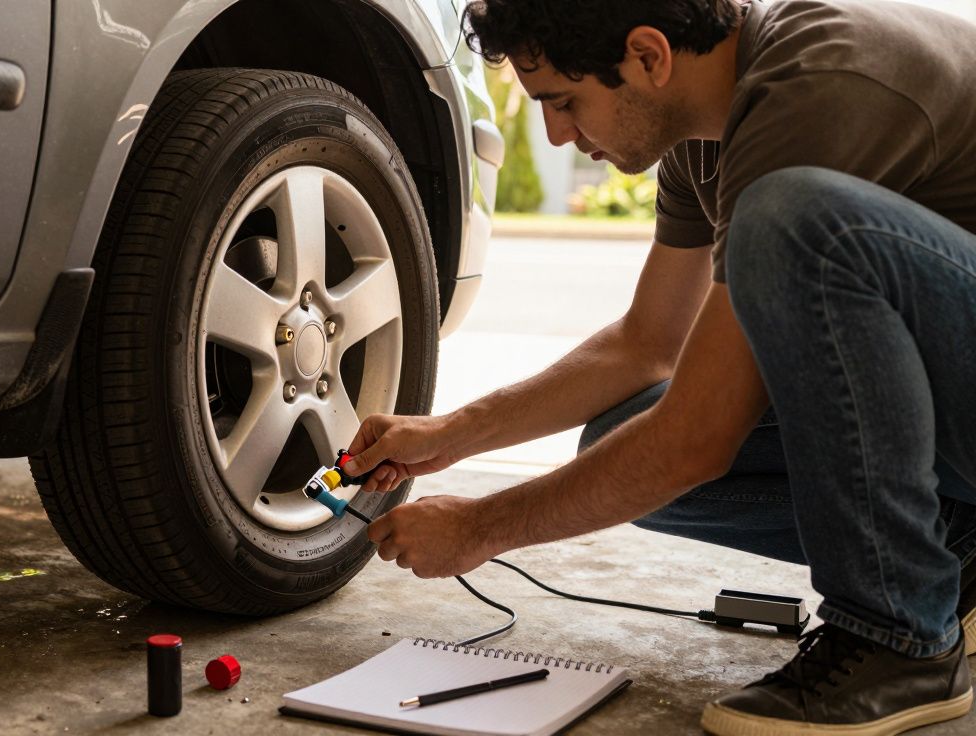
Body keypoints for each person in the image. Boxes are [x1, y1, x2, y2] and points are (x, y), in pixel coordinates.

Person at [341, 1, 976, 733]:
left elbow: (697, 437)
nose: (555, 133)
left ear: (649, 56)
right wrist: (447, 434)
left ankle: (898, 637)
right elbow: (646, 345)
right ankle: (953, 549)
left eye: (564, 101)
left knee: (792, 219)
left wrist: (480, 528)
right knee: (621, 434)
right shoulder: (707, 137)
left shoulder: (817, 89)